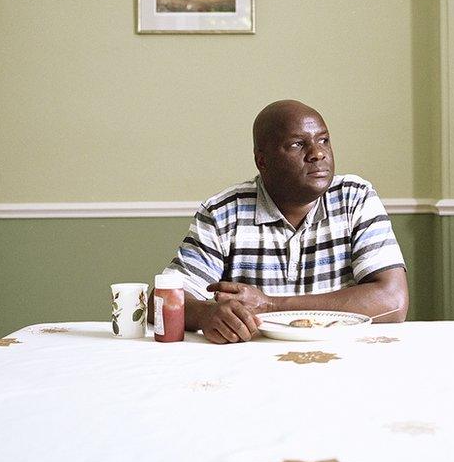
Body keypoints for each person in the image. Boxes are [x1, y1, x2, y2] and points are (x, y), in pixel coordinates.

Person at [164, 99, 408, 344]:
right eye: (297, 144)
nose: (318, 153)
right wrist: (205, 313)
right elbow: (164, 298)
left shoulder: (355, 197)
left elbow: (393, 302)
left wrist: (270, 305)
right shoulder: (223, 212)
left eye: (324, 140)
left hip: (341, 355)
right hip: (250, 362)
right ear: (263, 161)